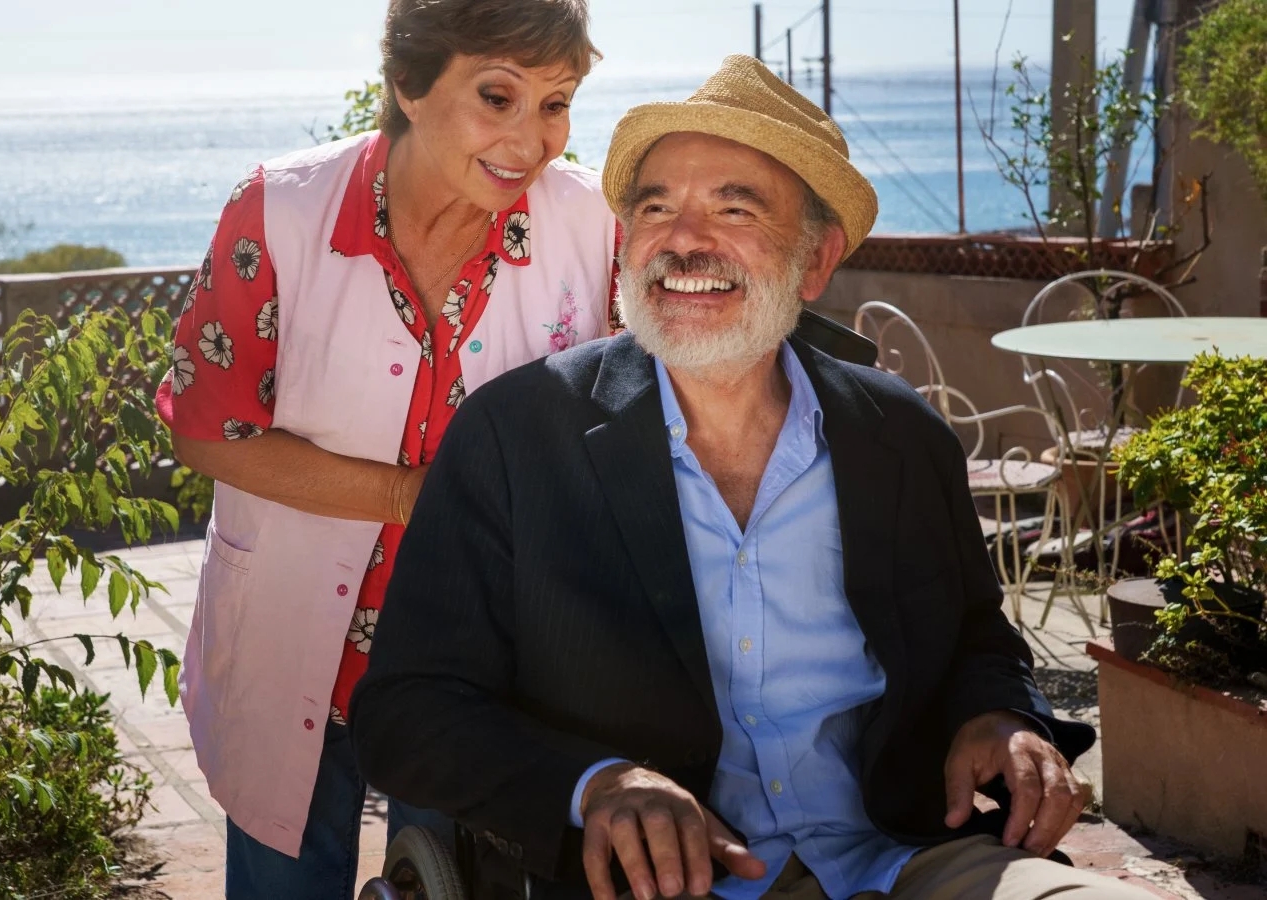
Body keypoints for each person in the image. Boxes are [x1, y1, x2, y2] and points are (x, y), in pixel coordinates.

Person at [350, 56, 1148, 900]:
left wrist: (1002, 720)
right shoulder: (515, 436)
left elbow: (976, 640)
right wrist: (599, 784)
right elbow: (407, 710)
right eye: (655, 207)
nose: (684, 239)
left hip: (904, 854)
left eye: (734, 207)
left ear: (816, 259)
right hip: (654, 884)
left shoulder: (902, 438)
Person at [154, 1, 621, 896]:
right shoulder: (278, 211)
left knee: (456, 878)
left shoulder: (590, 224)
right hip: (293, 634)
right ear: (407, 83)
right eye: (499, 96)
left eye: (557, 104)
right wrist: (413, 494)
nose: (532, 141)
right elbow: (206, 428)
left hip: (477, 658)